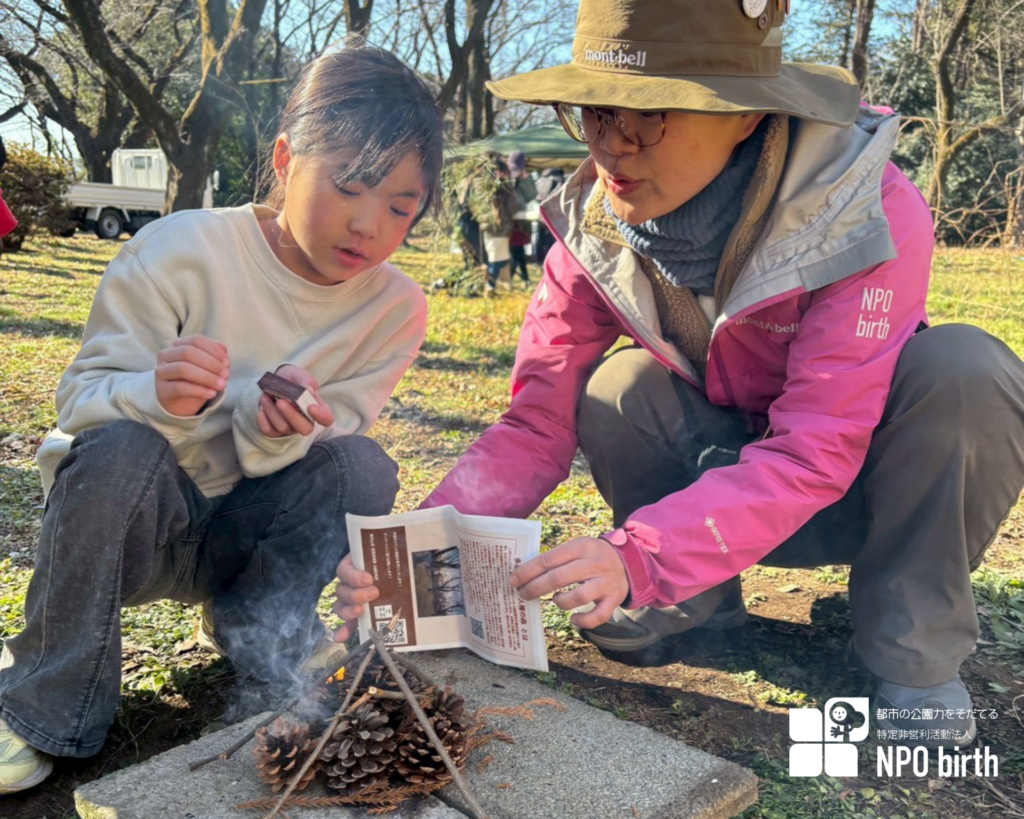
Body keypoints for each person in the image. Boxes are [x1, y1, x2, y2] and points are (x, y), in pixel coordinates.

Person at [336, 0, 1024, 752]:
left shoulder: (865, 211)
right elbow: (536, 423)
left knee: (965, 369)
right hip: (711, 490)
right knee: (616, 387)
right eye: (595, 111)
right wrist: (413, 552)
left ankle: (911, 647)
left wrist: (640, 555)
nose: (614, 147)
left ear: (747, 115)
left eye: (652, 112)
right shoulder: (596, 227)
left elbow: (815, 449)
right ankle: (697, 603)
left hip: (866, 488)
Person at [0, 44, 443, 795]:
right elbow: (78, 403)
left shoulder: (394, 310)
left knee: (363, 464)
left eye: (401, 206)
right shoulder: (180, 250)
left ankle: (255, 628)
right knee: (122, 450)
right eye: (349, 186)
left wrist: (275, 429)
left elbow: (330, 451)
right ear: (284, 158)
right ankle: (41, 701)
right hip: (133, 529)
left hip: (245, 534)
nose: (369, 225)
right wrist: (154, 392)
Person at [476, 153, 517, 293]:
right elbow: (514, 206)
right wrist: (508, 186)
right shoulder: (500, 189)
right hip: (500, 228)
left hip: (488, 227)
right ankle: (491, 285)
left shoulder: (481, 187)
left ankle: (501, 283)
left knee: (499, 257)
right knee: (497, 259)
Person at [507, 150, 537, 286]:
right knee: (515, 252)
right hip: (508, 222)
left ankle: (518, 279)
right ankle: (519, 279)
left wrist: (525, 179)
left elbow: (531, 195)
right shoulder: (505, 178)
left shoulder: (522, 179)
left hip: (521, 223)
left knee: (518, 251)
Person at [531, 167, 565, 265]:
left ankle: (537, 260)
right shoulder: (559, 180)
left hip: (539, 214)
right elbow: (556, 196)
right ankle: (549, 260)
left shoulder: (540, 180)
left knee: (538, 239)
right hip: (552, 215)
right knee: (551, 240)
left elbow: (537, 197)